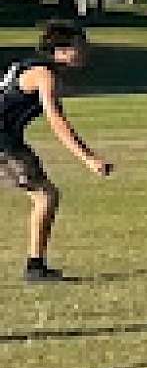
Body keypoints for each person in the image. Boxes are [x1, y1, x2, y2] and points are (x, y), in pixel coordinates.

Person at [2, 21, 114, 283]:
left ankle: (36, 266)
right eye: (80, 45)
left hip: (8, 139)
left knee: (45, 195)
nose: (86, 50)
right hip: (3, 142)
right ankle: (35, 267)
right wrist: (88, 159)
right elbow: (57, 121)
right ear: (61, 51)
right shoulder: (44, 75)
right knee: (45, 196)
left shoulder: (33, 68)